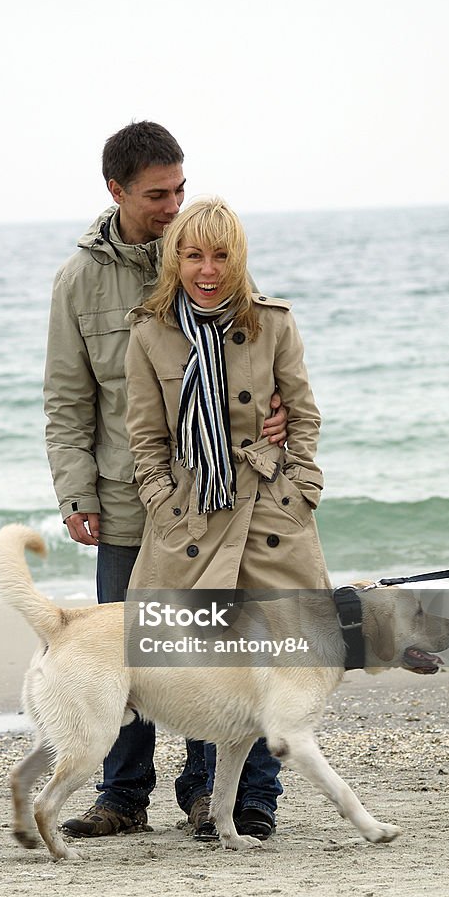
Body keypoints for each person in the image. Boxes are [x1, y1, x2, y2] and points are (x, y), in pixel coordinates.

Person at [43, 122, 288, 839]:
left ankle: (216, 796)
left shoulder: (206, 254)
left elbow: (261, 352)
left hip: (218, 500)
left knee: (225, 647)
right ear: (115, 190)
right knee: (129, 648)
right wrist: (76, 492)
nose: (173, 204)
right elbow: (66, 399)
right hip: (127, 498)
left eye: (180, 188)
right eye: (158, 194)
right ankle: (122, 796)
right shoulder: (78, 282)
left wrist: (275, 416)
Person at [125, 196, 332, 840]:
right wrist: (162, 501)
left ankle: (254, 801)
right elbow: (144, 437)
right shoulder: (150, 332)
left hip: (269, 511)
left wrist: (300, 486)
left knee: (280, 657)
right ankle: (197, 794)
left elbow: (303, 414)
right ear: (175, 260)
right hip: (191, 519)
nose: (207, 270)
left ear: (238, 260)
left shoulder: (272, 324)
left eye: (220, 256)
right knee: (193, 660)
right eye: (192, 256)